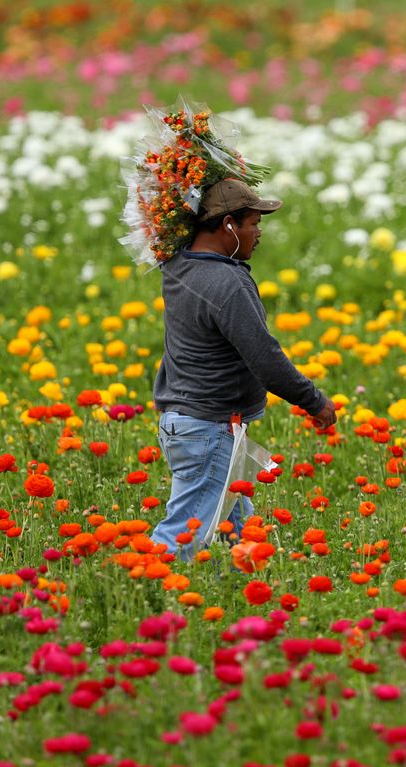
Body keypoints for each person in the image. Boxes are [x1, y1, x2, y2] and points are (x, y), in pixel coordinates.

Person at [150, 178, 336, 559]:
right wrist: (313, 401)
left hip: (184, 422)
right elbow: (265, 358)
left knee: (235, 535)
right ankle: (143, 588)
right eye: (253, 222)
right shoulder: (229, 284)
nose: (258, 233)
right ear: (228, 225)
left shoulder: (179, 265)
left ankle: (237, 601)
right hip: (210, 428)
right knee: (182, 536)